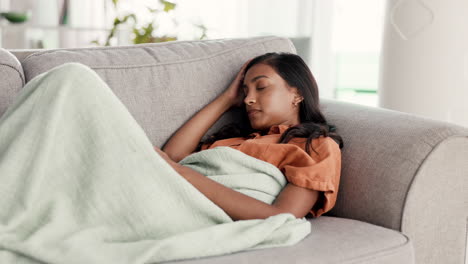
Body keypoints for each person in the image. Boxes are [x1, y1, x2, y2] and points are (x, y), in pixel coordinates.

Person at [156, 52, 343, 221]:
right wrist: (227, 99)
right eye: (245, 92)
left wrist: (182, 174)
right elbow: (174, 156)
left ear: (297, 93)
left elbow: (282, 216)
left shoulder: (316, 145)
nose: (247, 100)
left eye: (261, 87)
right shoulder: (233, 139)